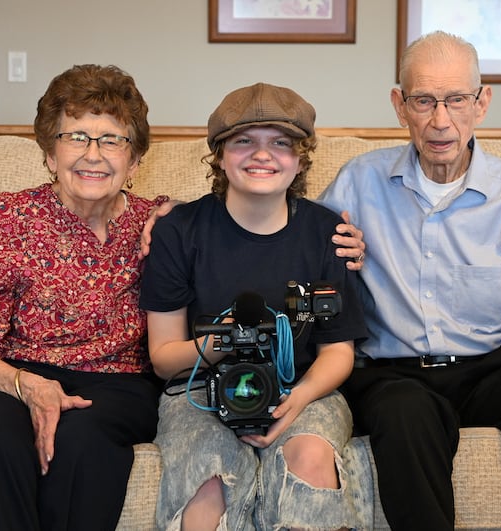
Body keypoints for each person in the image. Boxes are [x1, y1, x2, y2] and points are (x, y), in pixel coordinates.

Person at [318, 31, 501, 531]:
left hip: (492, 369)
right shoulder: (357, 183)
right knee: (404, 412)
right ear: (400, 106)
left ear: (482, 103)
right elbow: (300, 258)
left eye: (456, 99)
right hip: (394, 373)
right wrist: (338, 257)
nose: (441, 120)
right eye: (424, 101)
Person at [0, 64, 168, 530]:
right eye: (76, 137)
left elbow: (232, 225)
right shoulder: (9, 215)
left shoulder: (159, 224)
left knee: (83, 443)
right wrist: (25, 385)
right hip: (4, 373)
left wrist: (178, 211)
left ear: (134, 161)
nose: (93, 154)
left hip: (114, 382)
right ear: (51, 154)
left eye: (111, 140)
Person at [139, 82, 368, 531]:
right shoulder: (180, 231)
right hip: (198, 389)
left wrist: (298, 399)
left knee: (310, 457)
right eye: (244, 141)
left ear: (300, 158)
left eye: (280, 143)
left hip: (301, 384)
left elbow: (338, 352)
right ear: (220, 155)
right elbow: (164, 358)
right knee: (208, 477)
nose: (262, 155)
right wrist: (222, 343)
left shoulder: (328, 233)